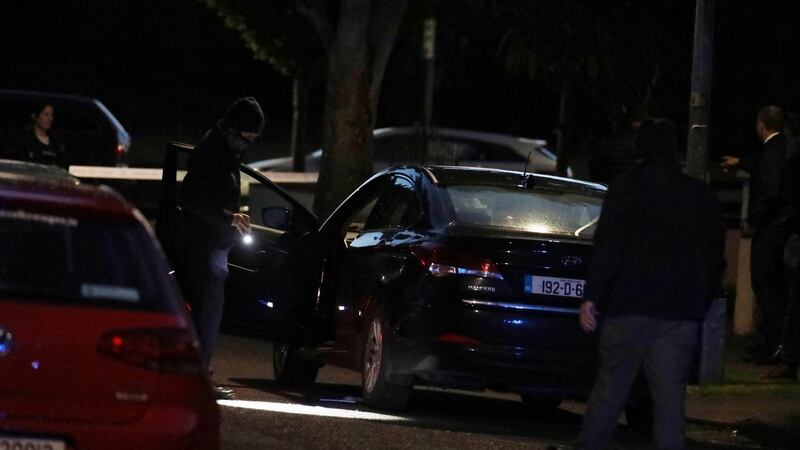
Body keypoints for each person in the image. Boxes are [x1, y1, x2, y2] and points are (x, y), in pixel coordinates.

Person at [577, 118, 725, 449]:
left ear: (640, 150)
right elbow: (714, 253)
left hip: (628, 307)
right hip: (678, 313)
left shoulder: (625, 189)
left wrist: (592, 297)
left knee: (609, 393)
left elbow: (608, 247)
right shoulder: (698, 195)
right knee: (670, 402)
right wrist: (701, 300)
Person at [172, 96, 264, 399]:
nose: (249, 143)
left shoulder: (224, 150)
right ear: (234, 129)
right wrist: (229, 218)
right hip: (204, 244)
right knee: (208, 308)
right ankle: (198, 376)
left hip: (212, 242)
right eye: (247, 136)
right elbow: (191, 199)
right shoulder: (213, 152)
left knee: (208, 308)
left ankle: (195, 374)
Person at [721, 105, 791, 364]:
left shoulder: (772, 151)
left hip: (771, 228)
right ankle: (773, 343)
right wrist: (742, 162)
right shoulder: (782, 148)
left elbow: (769, 190)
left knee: (765, 284)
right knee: (772, 286)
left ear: (762, 125)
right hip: (781, 227)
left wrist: (753, 221)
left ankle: (775, 346)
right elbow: (765, 169)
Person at [3, 103, 68, 168]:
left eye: (52, 115)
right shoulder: (24, 139)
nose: (50, 118)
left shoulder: (56, 142)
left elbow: (62, 165)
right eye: (46, 114)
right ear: (35, 116)